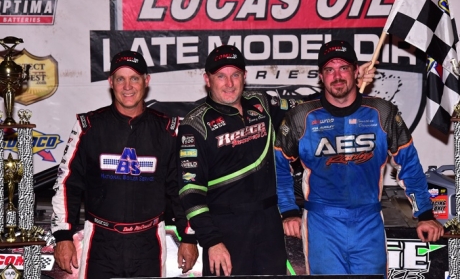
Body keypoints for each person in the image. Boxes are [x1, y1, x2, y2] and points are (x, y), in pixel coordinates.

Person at [176, 44, 376, 276]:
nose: (229, 83)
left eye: (235, 75)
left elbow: (308, 107)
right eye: (221, 76)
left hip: (269, 226)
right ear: (207, 79)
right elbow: (190, 191)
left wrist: (347, 83)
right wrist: (212, 241)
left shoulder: (262, 103)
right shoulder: (195, 124)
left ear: (245, 77)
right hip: (225, 231)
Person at [274, 40, 444, 277]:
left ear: (357, 71)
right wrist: (288, 210)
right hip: (322, 225)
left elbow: (409, 164)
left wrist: (425, 213)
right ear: (321, 77)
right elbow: (279, 166)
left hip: (369, 222)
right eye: (329, 70)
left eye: (343, 68)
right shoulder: (301, 116)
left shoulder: (382, 112)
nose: (337, 76)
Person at [50, 50, 198, 279]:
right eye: (120, 79)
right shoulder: (88, 126)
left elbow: (183, 188)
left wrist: (188, 236)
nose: (127, 86)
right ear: (111, 82)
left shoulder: (169, 129)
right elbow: (67, 182)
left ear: (146, 81)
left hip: (150, 243)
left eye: (134, 78)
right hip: (100, 241)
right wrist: (63, 236)